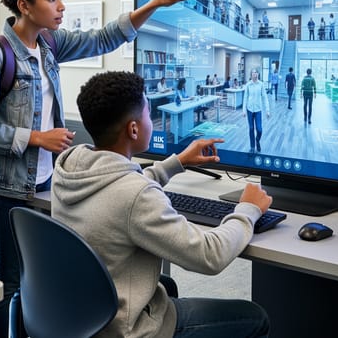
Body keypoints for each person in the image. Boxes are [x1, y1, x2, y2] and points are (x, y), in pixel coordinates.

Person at [0, 0, 196, 338]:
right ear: (24, 5)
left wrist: (154, 4)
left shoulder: (50, 43)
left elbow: (105, 38)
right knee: (7, 283)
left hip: (44, 181)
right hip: (6, 186)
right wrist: (36, 138)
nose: (61, 7)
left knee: (38, 279)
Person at [52, 70, 272, 338]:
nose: (151, 120)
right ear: (134, 129)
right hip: (126, 329)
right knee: (255, 316)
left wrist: (176, 162)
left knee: (166, 286)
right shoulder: (136, 196)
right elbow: (209, 255)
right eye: (148, 113)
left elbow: (118, 187)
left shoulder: (70, 168)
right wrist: (247, 209)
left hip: (81, 315)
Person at [244, 69, 270, 153]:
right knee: (251, 128)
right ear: (251, 74)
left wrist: (267, 110)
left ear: (258, 74)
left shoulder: (261, 84)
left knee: (259, 129)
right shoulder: (248, 85)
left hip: (258, 110)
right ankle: (252, 147)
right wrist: (244, 110)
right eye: (253, 72)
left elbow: (265, 97)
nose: (255, 74)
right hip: (249, 110)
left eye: (256, 72)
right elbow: (245, 98)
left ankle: (257, 140)